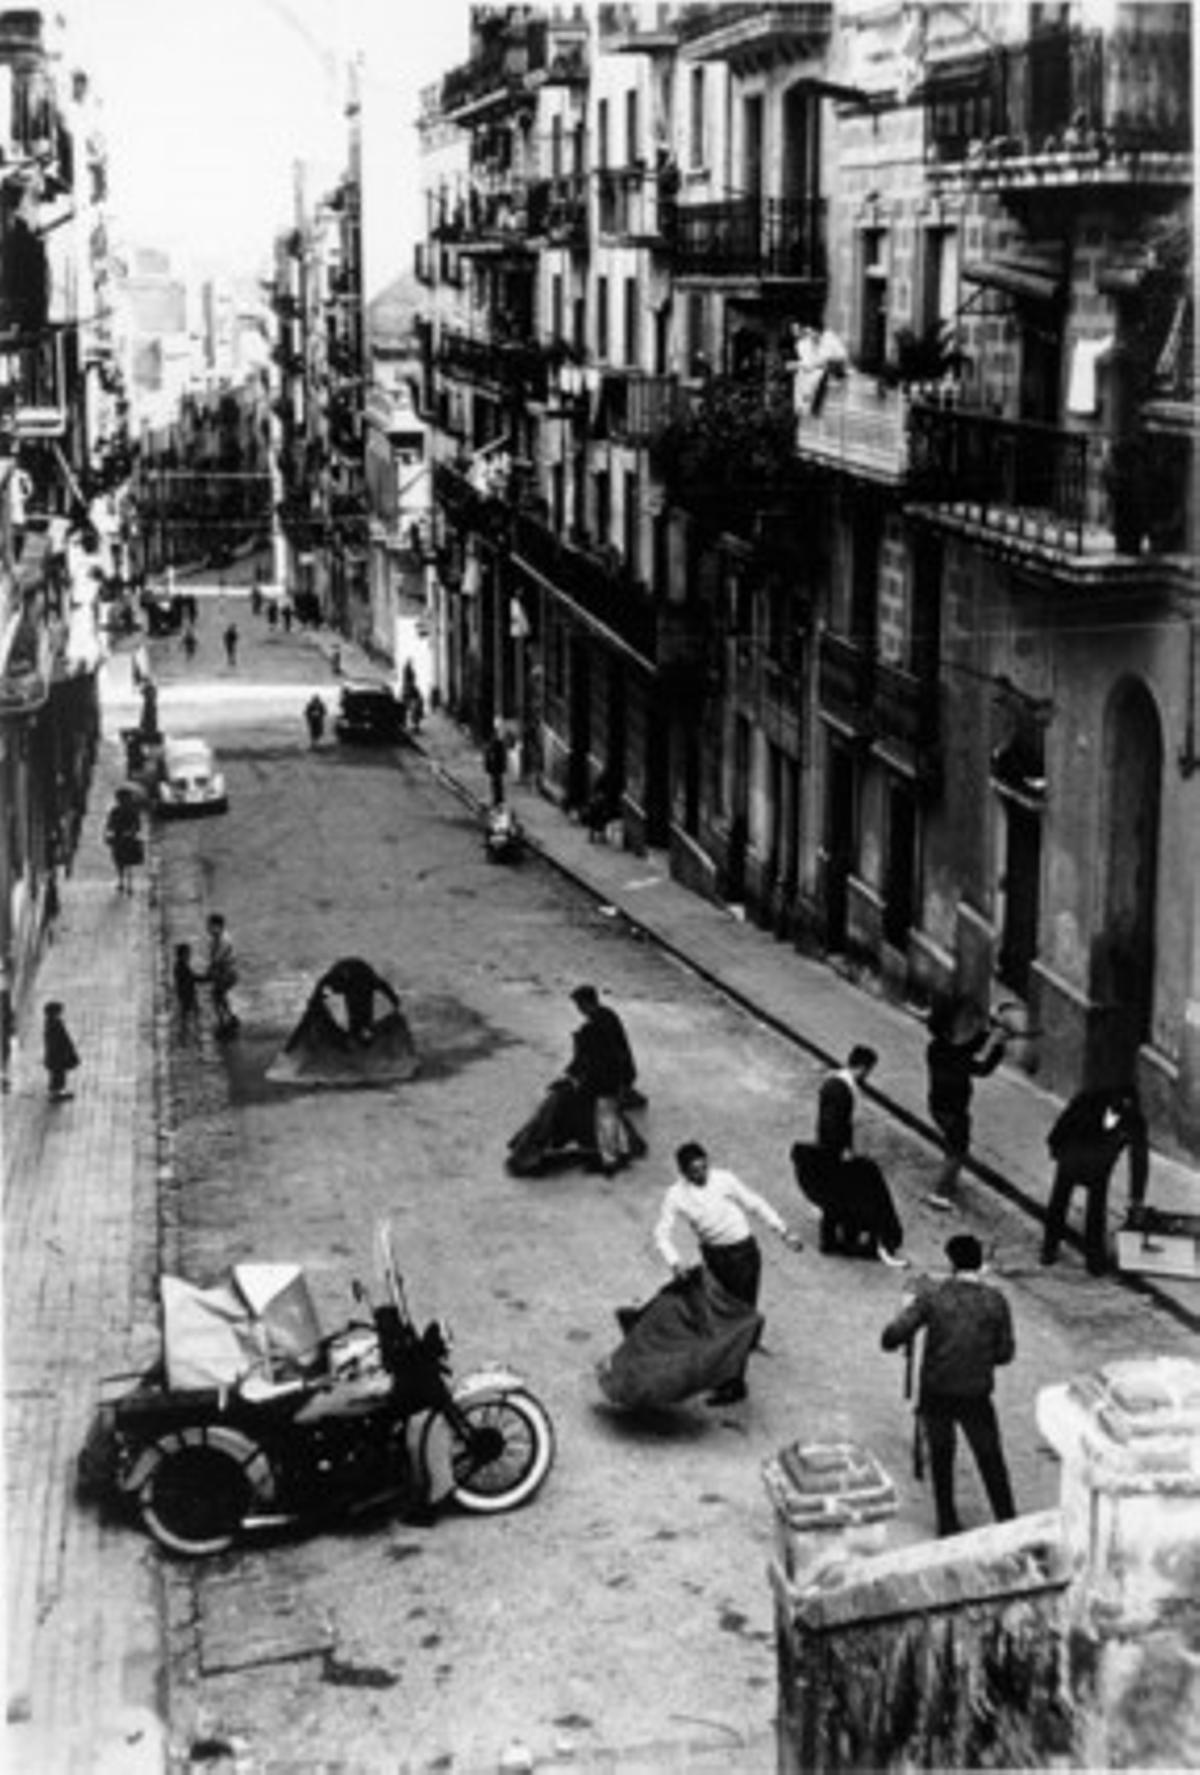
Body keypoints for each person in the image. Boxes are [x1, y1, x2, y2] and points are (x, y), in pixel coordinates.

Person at [881, 1233, 1016, 1538]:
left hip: (937, 1390)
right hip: (976, 1393)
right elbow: (1006, 1354)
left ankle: (947, 1521)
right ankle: (1009, 1523)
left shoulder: (935, 1297)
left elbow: (891, 1338)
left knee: (942, 1457)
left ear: (951, 1263)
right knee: (991, 1459)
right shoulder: (996, 1301)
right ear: (980, 1263)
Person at [653, 1142, 804, 1405]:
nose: (702, 1175)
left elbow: (754, 1203)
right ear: (683, 1173)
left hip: (743, 1254)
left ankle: (734, 1384)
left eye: (704, 1167)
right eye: (694, 1171)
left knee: (736, 1318)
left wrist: (783, 1231)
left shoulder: (724, 1180)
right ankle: (745, 1342)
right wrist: (674, 1262)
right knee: (723, 1315)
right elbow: (661, 1233)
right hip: (714, 1258)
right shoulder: (675, 1196)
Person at [1040, 1085, 1149, 1276]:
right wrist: (1058, 1151)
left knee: (1096, 1210)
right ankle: (1049, 1248)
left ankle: (1094, 1260)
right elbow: (1062, 1125)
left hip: (1100, 1166)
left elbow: (1139, 1159)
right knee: (1059, 1201)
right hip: (1073, 1156)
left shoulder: (1135, 1122)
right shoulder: (1087, 1099)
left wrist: (1137, 1198)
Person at [924, 996, 1007, 1210]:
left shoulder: (938, 1047)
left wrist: (990, 1031)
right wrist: (997, 1046)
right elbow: (982, 1068)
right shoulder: (950, 1056)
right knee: (958, 1150)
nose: (970, 1028)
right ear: (948, 1029)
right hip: (952, 1111)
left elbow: (971, 1042)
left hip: (942, 1106)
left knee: (954, 1147)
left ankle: (947, 1183)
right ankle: (941, 1192)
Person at [567, 984, 647, 1176]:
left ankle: (611, 1160)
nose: (578, 1009)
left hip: (607, 1078)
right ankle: (618, 1151)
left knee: (605, 1114)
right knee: (608, 1113)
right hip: (616, 1075)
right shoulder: (608, 1015)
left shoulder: (593, 1027)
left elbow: (593, 1057)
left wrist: (576, 1074)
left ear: (586, 1003)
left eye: (579, 1005)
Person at [309, 957, 400, 1046]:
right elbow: (323, 985)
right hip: (350, 976)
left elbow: (382, 985)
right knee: (358, 1020)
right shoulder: (337, 980)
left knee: (362, 1019)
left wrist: (394, 1000)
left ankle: (360, 1037)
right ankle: (357, 1037)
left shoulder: (367, 982)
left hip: (359, 977)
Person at [816, 1045, 878, 1158]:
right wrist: (842, 1149)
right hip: (833, 1151)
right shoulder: (838, 1088)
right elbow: (832, 1124)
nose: (868, 1075)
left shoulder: (841, 1084)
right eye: (869, 1070)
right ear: (862, 1068)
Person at [202, 913, 240, 1037]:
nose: (207, 928)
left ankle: (225, 1023)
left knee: (216, 996)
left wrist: (207, 973)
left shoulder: (224, 940)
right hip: (223, 972)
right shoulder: (215, 939)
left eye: (210, 926)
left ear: (218, 926)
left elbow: (216, 960)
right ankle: (230, 1019)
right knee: (220, 997)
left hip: (228, 973)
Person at [104, 787, 143, 895]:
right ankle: (121, 880)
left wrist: (131, 832)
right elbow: (109, 824)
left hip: (128, 838)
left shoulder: (132, 811)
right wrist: (108, 834)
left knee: (128, 862)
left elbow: (137, 825)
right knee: (119, 861)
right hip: (118, 838)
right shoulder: (115, 811)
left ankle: (128, 883)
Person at [43, 1001, 80, 1101]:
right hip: (57, 1056)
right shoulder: (54, 1025)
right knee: (58, 1075)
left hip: (56, 1056)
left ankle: (57, 1092)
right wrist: (65, 1053)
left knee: (58, 1074)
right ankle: (55, 1094)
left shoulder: (52, 1023)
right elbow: (58, 1041)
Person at [173, 943, 201, 1038]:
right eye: (188, 953)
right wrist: (208, 977)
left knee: (186, 1014)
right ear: (182, 955)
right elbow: (192, 978)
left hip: (184, 994)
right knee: (193, 1013)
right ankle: (190, 1033)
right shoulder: (182, 967)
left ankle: (184, 1032)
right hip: (187, 994)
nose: (189, 956)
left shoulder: (180, 965)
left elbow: (191, 978)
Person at [484, 721, 508, 807]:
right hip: (494, 768)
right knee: (494, 784)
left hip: (498, 768)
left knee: (499, 784)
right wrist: (488, 766)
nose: (496, 735)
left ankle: (499, 801)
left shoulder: (500, 744)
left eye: (497, 733)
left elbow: (503, 757)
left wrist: (503, 767)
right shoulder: (492, 744)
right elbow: (488, 755)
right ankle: (496, 800)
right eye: (495, 733)